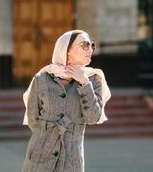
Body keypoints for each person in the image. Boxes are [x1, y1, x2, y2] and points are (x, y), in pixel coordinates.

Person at [21, 30, 111, 172]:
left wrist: (84, 83)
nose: (91, 49)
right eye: (85, 45)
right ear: (67, 50)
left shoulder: (94, 79)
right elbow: (33, 120)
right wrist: (49, 137)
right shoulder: (41, 79)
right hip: (39, 159)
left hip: (71, 162)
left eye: (91, 45)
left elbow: (94, 118)